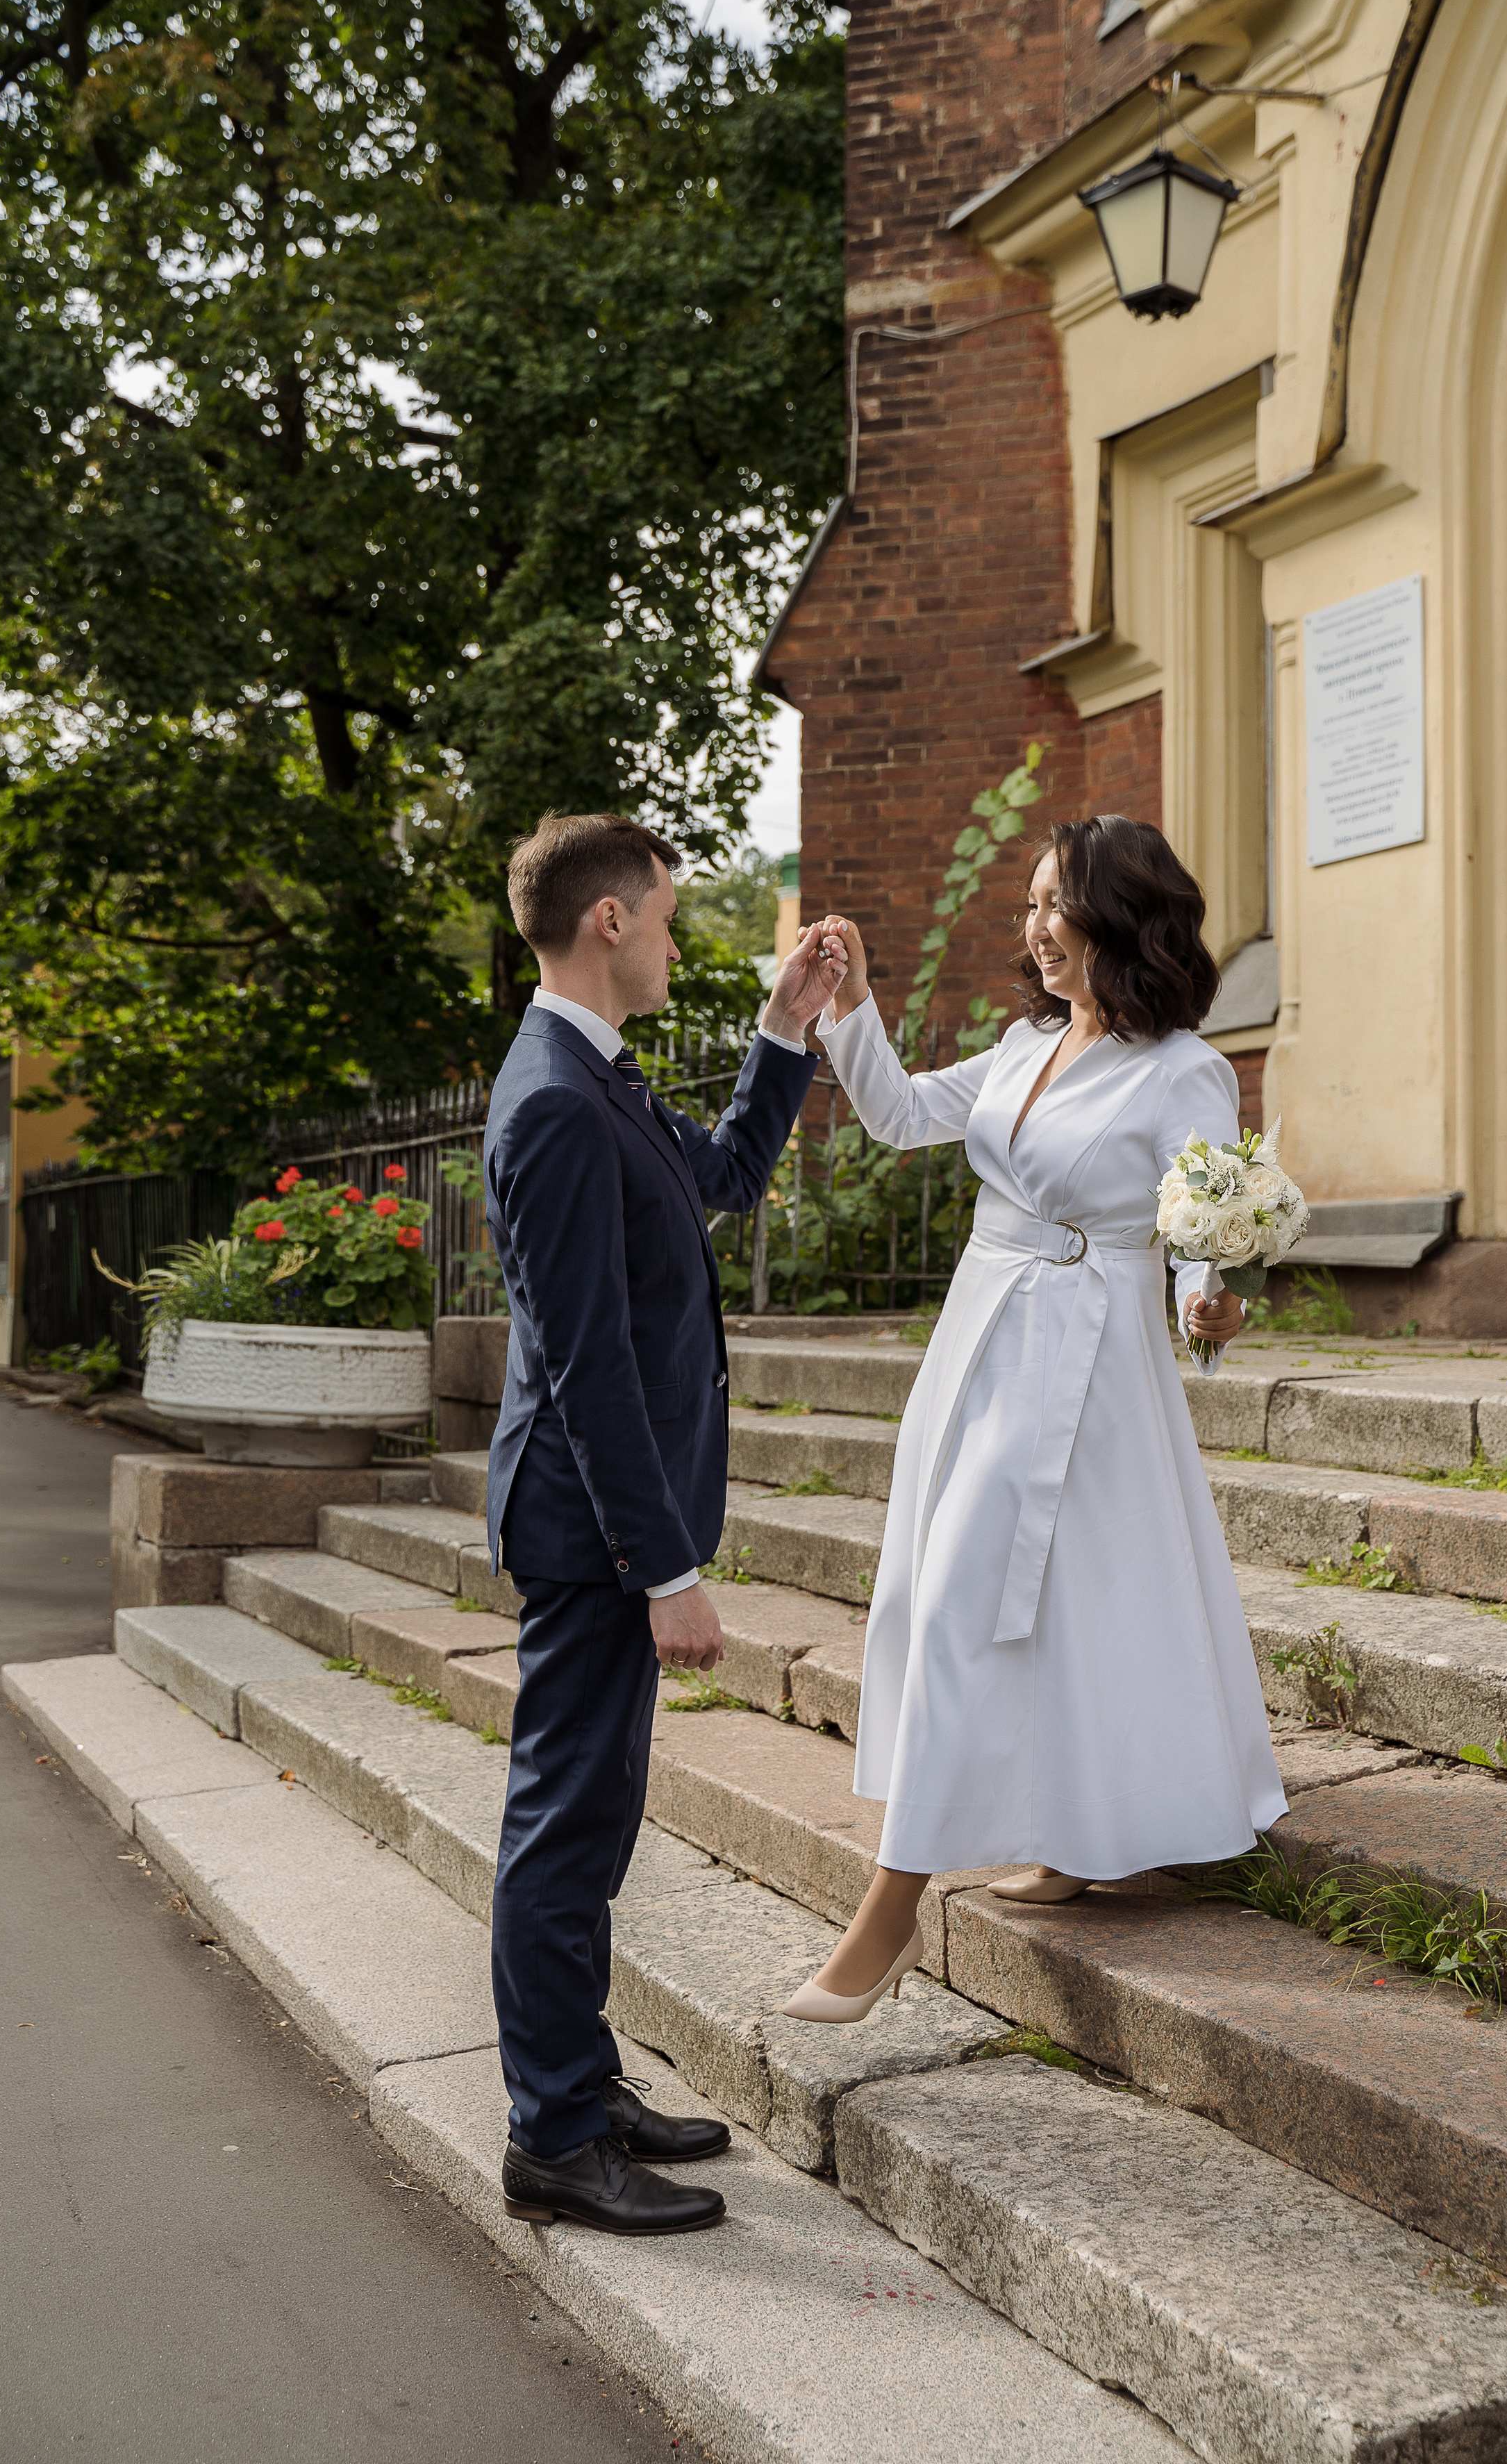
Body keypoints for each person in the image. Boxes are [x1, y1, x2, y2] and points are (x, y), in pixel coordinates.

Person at [781, 814, 1286, 2023]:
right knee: (979, 1595)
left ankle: (888, 1915)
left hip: (1087, 1357)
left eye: (1056, 903)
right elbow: (900, 1115)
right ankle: (1072, 1838)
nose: (1035, 927)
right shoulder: (1021, 1048)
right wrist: (845, 1004)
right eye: (1029, 905)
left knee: (969, 1598)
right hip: (979, 1341)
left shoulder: (1185, 1074)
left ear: (1120, 916)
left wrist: (1208, 1302)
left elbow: (1196, 1228)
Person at [483, 812, 844, 2227]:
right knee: (564, 1832)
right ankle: (554, 2142)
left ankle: (581, 2081)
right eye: (671, 915)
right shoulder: (557, 1102)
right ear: (610, 924)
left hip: (597, 1527)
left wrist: (783, 1029)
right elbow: (586, 1368)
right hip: (588, 1534)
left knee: (591, 1820)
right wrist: (664, 1569)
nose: (681, 939)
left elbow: (724, 1179)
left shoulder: (591, 1075)